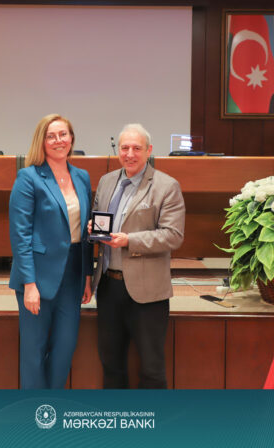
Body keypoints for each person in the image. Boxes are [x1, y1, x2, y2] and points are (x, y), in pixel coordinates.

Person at [90, 123, 185, 388]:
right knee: (111, 365)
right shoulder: (107, 181)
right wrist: (93, 228)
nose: (129, 154)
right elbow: (101, 222)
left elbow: (173, 235)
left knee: (152, 369)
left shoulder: (166, 186)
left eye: (136, 148)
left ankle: (150, 416)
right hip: (108, 287)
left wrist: (130, 240)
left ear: (149, 150)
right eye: (124, 148)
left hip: (147, 292)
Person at [9, 113, 93, 389]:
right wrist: (29, 283)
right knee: (33, 353)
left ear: (71, 139)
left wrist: (88, 276)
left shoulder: (82, 177)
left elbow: (86, 232)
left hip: (73, 274)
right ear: (42, 142)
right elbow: (20, 235)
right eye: (51, 136)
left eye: (63, 134)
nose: (58, 141)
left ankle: (51, 404)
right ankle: (34, 410)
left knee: (65, 348)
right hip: (38, 276)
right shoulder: (28, 177)